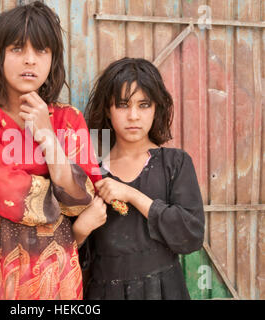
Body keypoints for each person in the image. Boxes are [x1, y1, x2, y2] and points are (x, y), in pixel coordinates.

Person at [0, 1, 100, 300]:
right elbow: (8, 190)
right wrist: (65, 192)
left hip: (54, 274)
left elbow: (82, 200)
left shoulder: (69, 119)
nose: (29, 60)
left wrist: (47, 136)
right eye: (17, 49)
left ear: (53, 60)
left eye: (41, 50)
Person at [73, 57, 205, 300]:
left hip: (165, 291)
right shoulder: (91, 171)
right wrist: (80, 231)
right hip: (105, 292)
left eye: (144, 105)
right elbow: (64, 254)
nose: (133, 116)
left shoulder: (174, 164)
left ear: (156, 108)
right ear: (107, 109)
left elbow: (191, 236)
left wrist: (132, 195)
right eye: (123, 105)